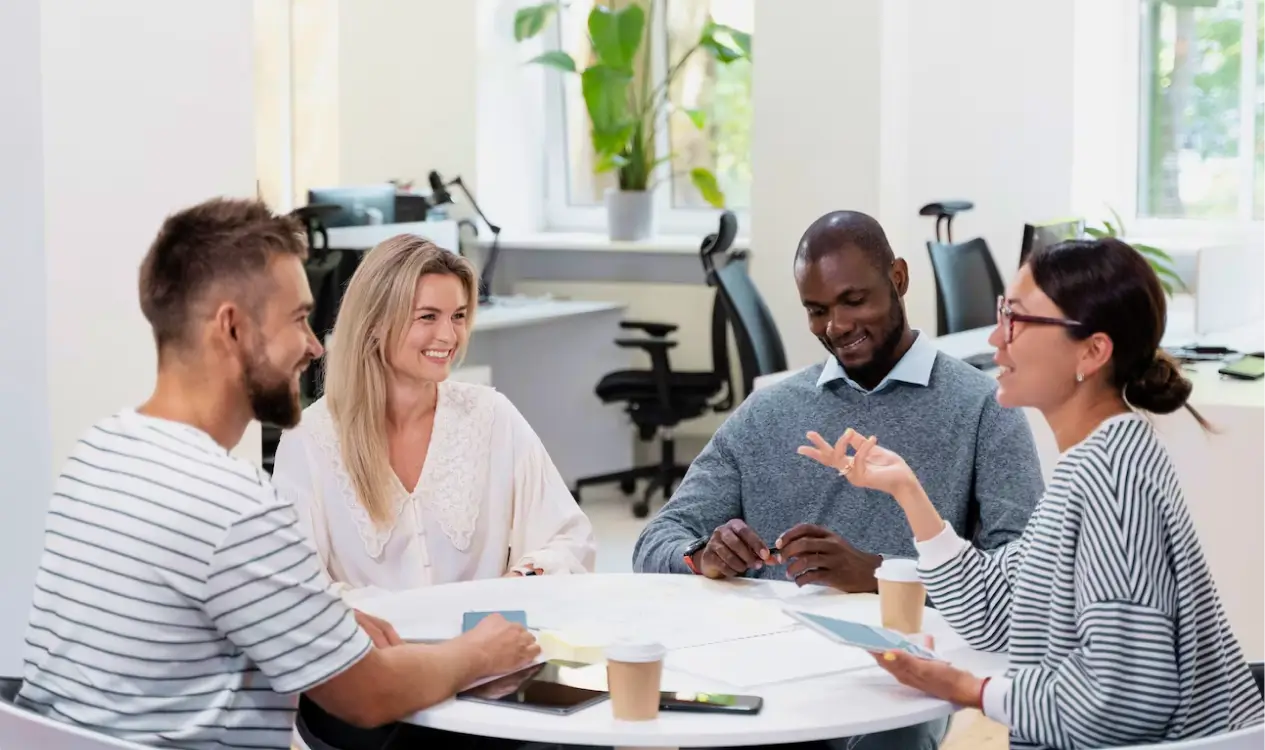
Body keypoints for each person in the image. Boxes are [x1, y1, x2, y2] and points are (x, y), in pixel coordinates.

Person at [15, 197, 543, 750]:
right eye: (297, 319)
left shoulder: (99, 454)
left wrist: (328, 621)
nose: (314, 345)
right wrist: (481, 651)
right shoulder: (233, 507)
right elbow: (369, 697)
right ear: (232, 328)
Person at [800, 237, 1265, 749]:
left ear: (1092, 351)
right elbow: (996, 610)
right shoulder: (1097, 461)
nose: (996, 338)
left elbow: (1122, 703)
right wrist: (908, 491)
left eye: (1016, 319)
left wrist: (970, 690)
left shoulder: (1110, 481)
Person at [632, 210, 1045, 749]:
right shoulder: (769, 411)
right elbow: (654, 543)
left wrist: (878, 575)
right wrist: (701, 556)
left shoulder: (984, 408)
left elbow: (1025, 585)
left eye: (854, 301)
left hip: (895, 677)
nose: (836, 326)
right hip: (767, 672)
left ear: (898, 278)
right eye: (817, 310)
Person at [270, 235, 595, 603]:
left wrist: (520, 578)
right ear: (374, 323)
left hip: (485, 636)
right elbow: (295, 586)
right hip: (373, 641)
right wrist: (405, 619)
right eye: (427, 317)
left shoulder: (492, 416)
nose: (448, 335)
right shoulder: (310, 439)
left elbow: (569, 539)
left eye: (458, 316)